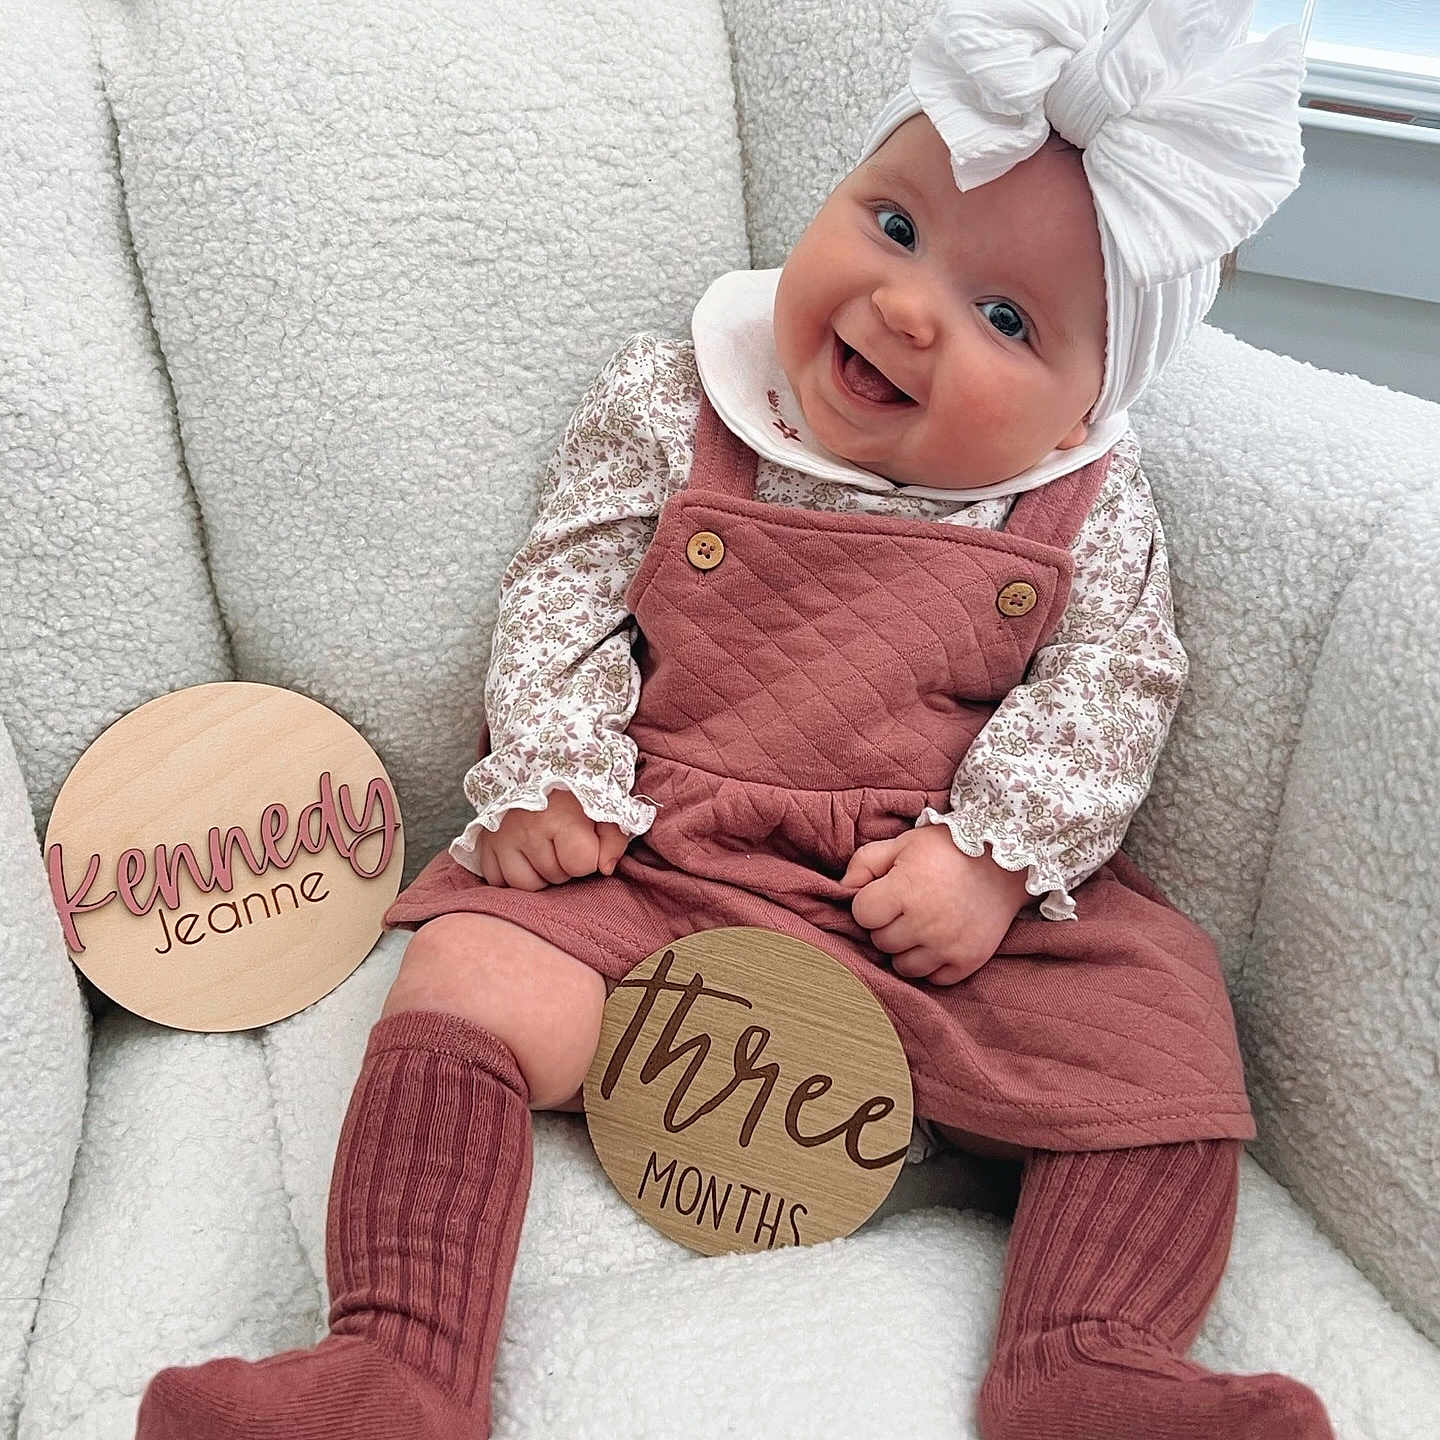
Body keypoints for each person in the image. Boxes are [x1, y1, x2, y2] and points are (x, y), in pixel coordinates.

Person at [135, 2, 1336, 1437]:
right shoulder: (680, 395)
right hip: (660, 855)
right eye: (893, 226)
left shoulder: (1085, 503)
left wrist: (998, 857)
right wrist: (561, 770)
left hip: (927, 892)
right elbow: (568, 579)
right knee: (469, 972)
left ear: (1089, 402)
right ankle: (397, 1359)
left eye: (1007, 319)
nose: (906, 305)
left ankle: (1086, 1365)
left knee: (1158, 1030)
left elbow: (1113, 685)